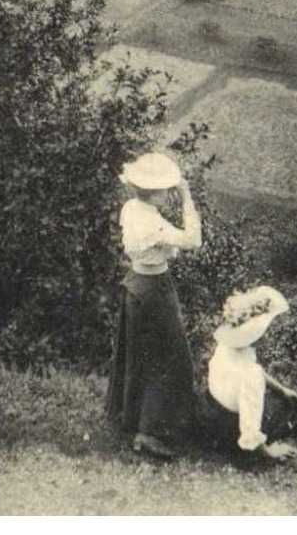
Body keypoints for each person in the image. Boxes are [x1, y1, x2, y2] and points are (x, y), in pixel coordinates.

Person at [106, 150, 202, 458]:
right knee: (171, 359)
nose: (169, 194)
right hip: (154, 289)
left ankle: (133, 420)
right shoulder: (153, 225)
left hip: (136, 284)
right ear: (153, 192)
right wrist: (187, 198)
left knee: (139, 356)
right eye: (165, 190)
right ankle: (151, 432)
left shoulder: (132, 209)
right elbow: (193, 240)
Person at [205, 285, 297, 462]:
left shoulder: (228, 346)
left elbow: (250, 368)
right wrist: (268, 452)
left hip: (212, 413)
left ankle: (292, 402)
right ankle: (284, 430)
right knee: (292, 414)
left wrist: (283, 390)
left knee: (279, 399)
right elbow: (249, 423)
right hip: (232, 427)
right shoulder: (250, 375)